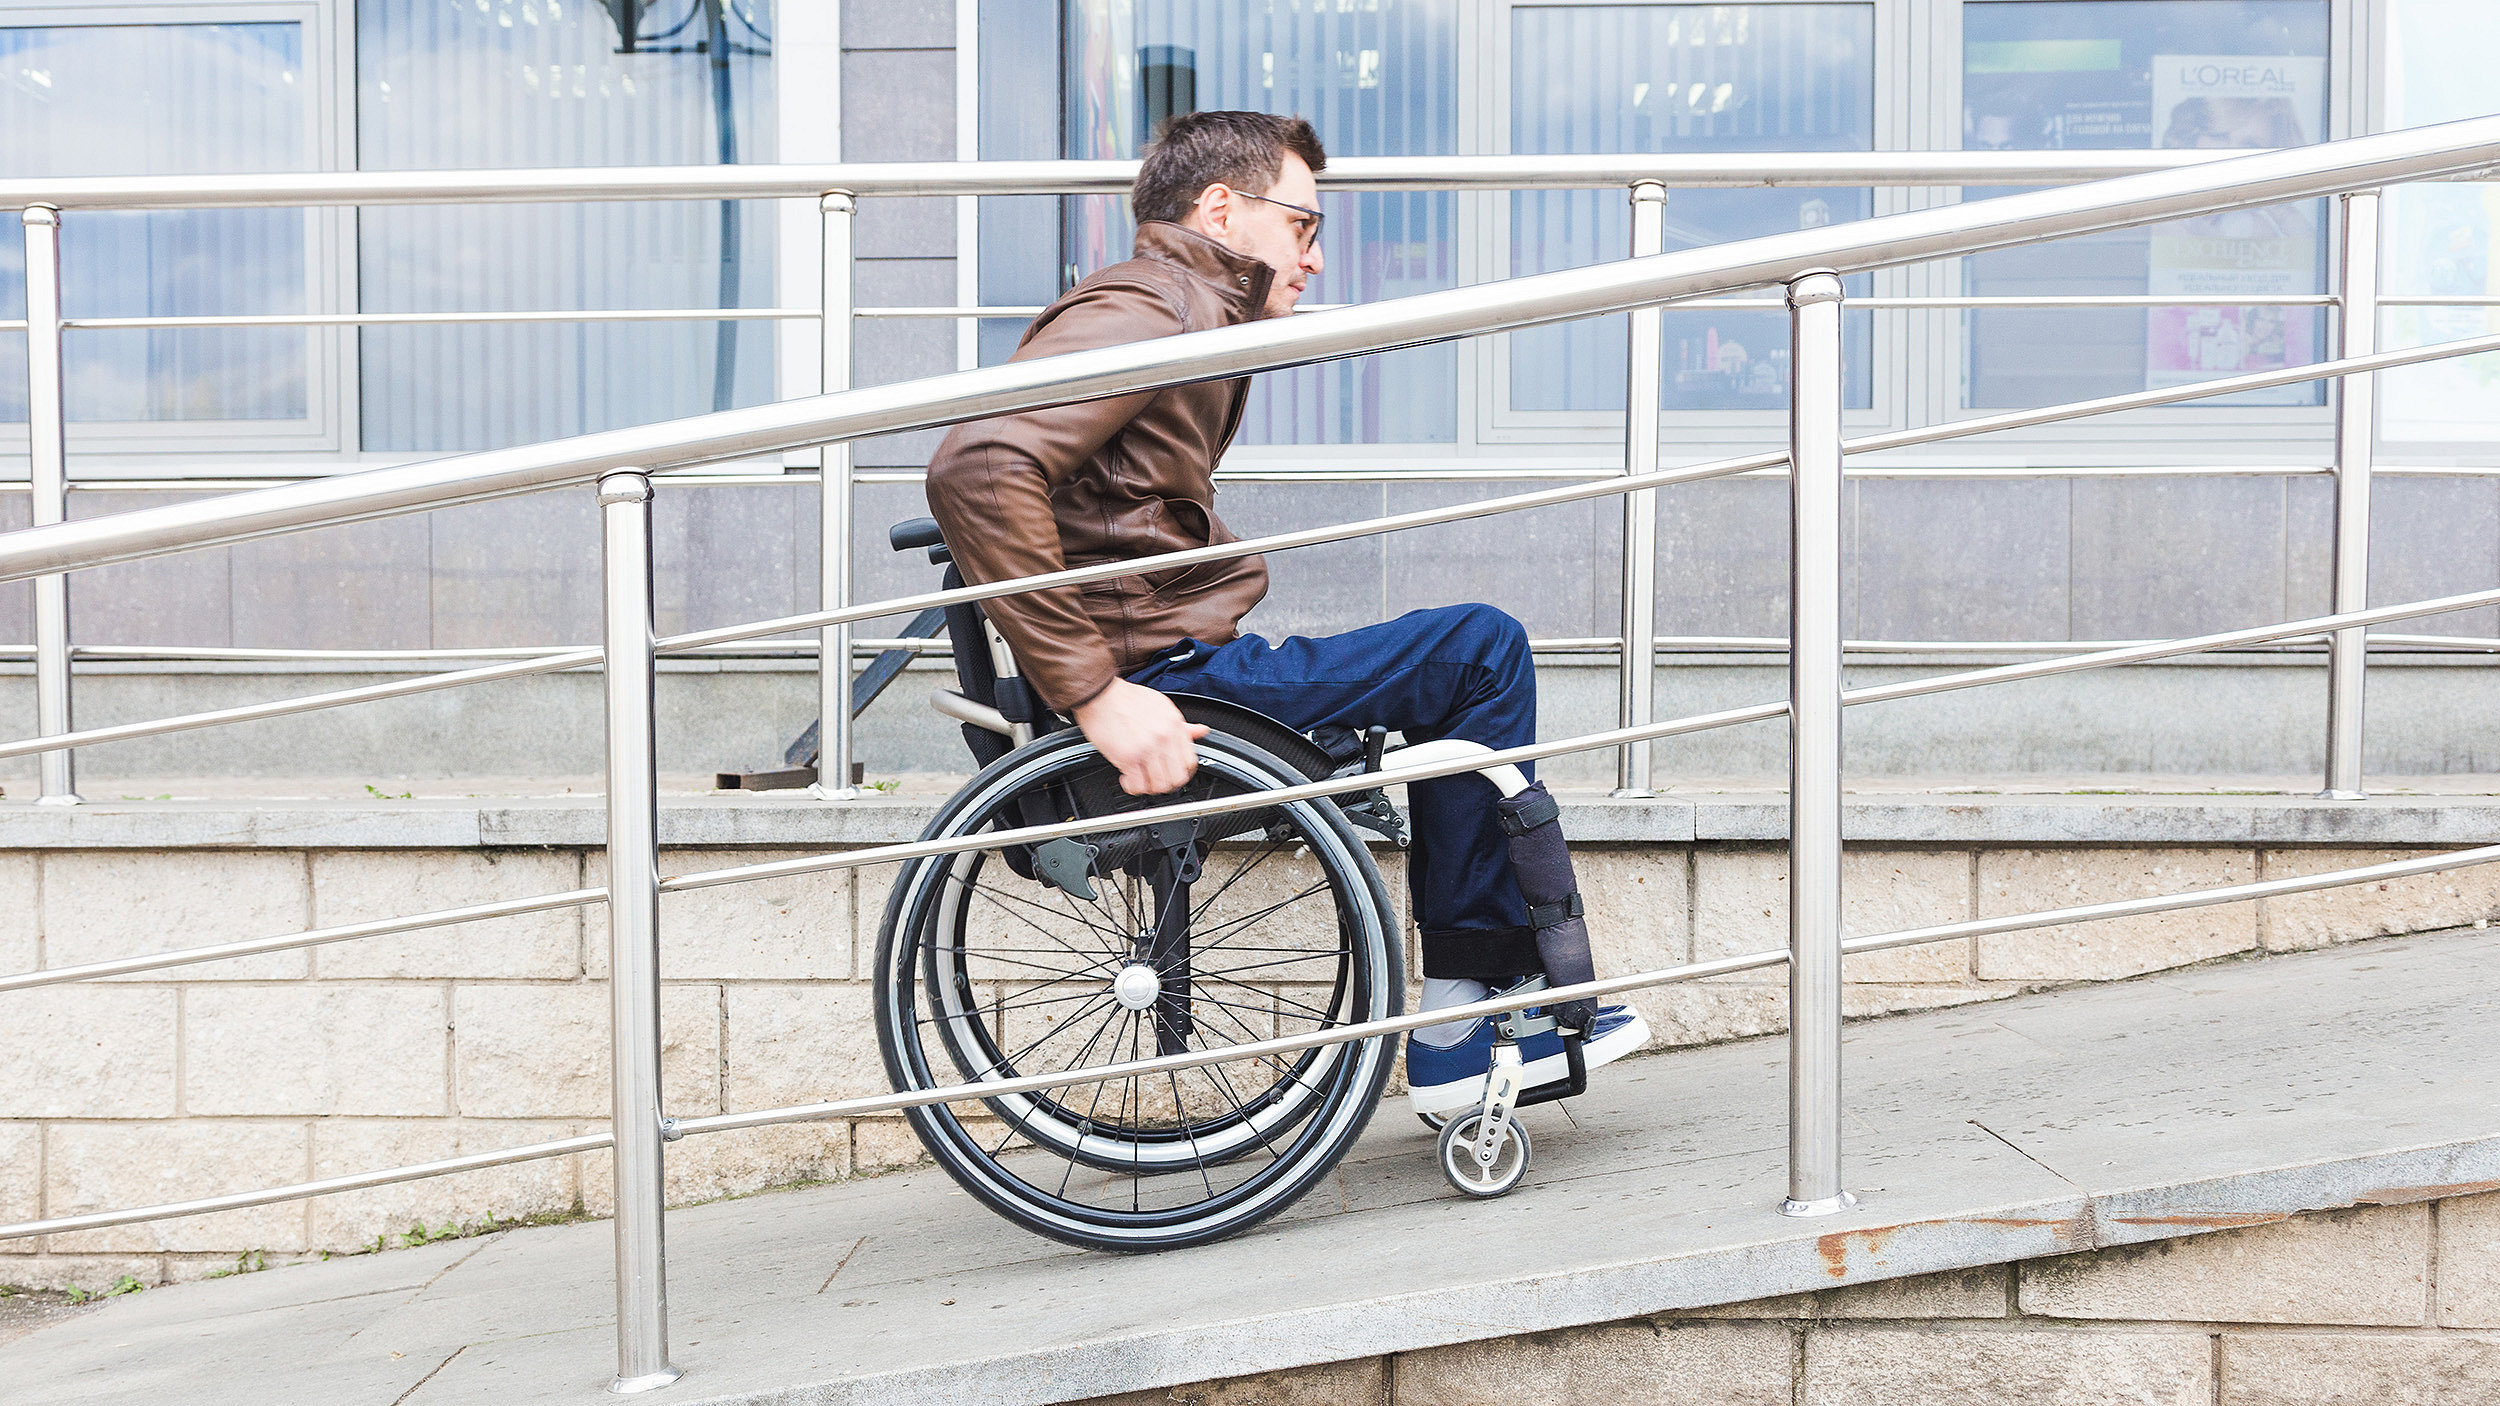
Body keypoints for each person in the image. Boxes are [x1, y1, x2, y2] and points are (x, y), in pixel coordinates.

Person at [922, 110, 1647, 1115]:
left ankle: (1470, 1006)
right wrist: (1096, 696)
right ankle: (1458, 1022)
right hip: (1168, 678)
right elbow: (977, 462)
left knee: (1459, 665)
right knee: (1481, 651)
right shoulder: (1156, 301)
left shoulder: (1188, 311)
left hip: (1172, 656)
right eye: (1301, 226)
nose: (1313, 257)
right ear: (1221, 208)